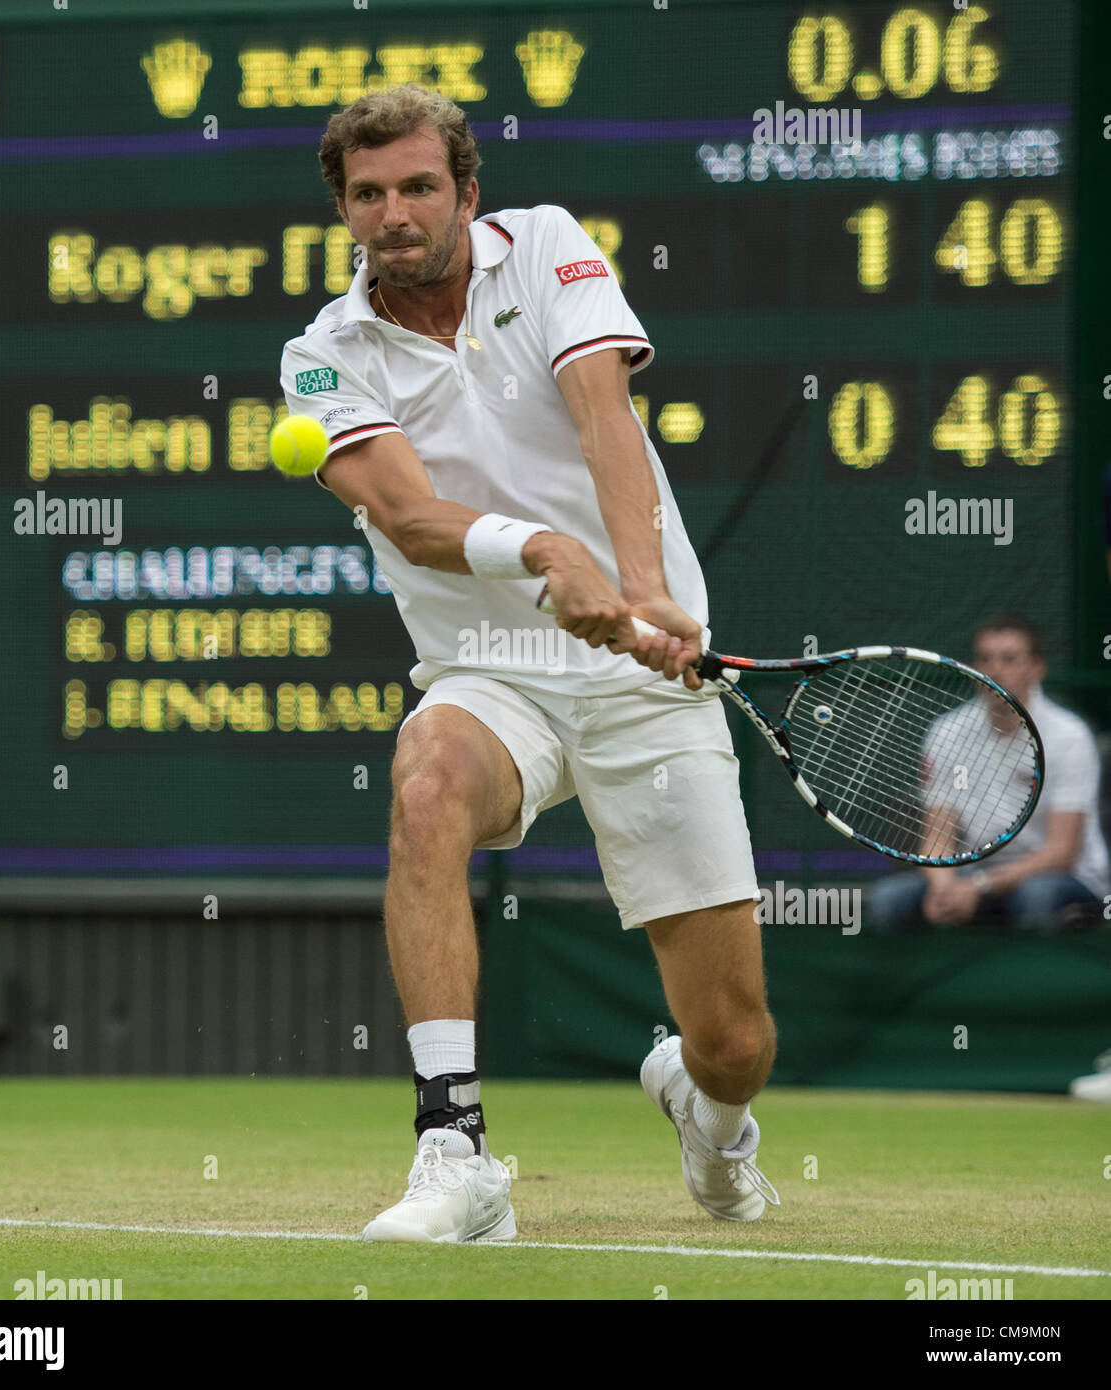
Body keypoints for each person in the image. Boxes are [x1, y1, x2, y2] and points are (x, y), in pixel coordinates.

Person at [280, 84, 779, 1242]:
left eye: (416, 186)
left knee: (736, 1042)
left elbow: (602, 412)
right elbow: (408, 518)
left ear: (466, 191)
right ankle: (454, 1154)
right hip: (488, 673)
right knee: (427, 777)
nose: (393, 212)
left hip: (645, 678)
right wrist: (549, 553)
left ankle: (709, 1115)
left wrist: (642, 590)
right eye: (368, 195)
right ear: (343, 210)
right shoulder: (320, 358)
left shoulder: (547, 247)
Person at [866, 614, 1110, 933]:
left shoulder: (1070, 736)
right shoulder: (946, 731)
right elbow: (938, 834)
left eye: (1009, 659)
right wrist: (944, 885)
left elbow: (1062, 852)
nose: (994, 670)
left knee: (1036, 897)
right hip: (972, 876)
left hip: (1062, 879)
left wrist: (979, 887)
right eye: (984, 659)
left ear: (1037, 667)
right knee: (888, 900)